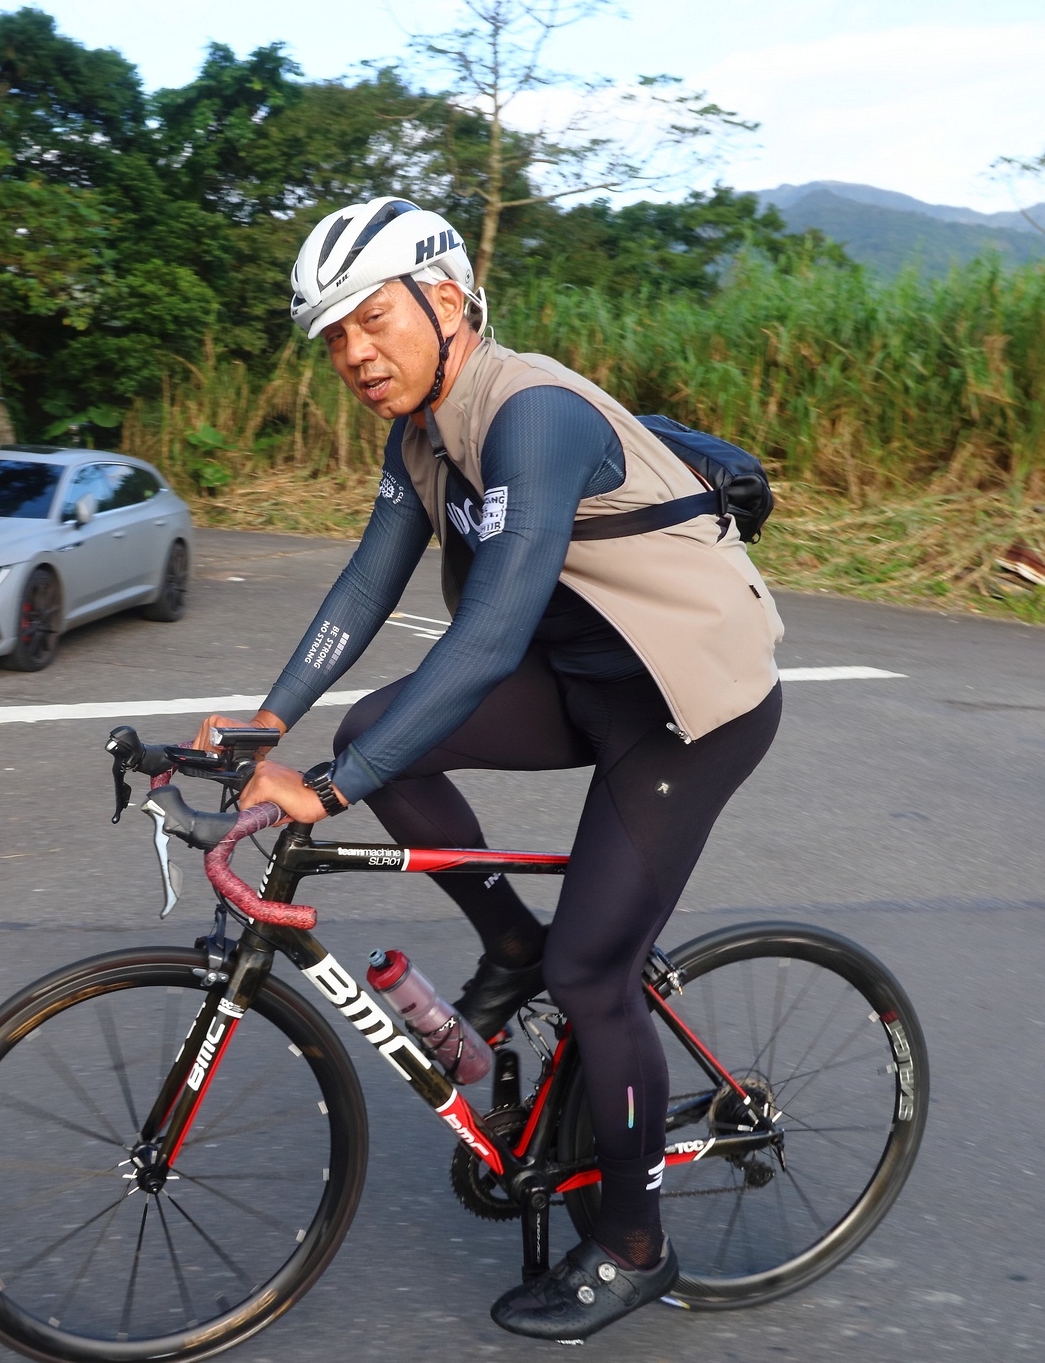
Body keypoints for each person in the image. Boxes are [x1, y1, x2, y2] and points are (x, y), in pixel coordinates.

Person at [189, 196, 785, 1343]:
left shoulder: (532, 416)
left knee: (591, 970)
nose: (353, 354)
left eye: (370, 319)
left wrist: (330, 791)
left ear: (447, 299)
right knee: (379, 728)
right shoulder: (419, 436)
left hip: (687, 705)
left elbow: (488, 635)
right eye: (333, 337)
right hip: (586, 676)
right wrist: (269, 721)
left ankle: (634, 1246)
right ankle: (510, 943)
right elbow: (366, 585)